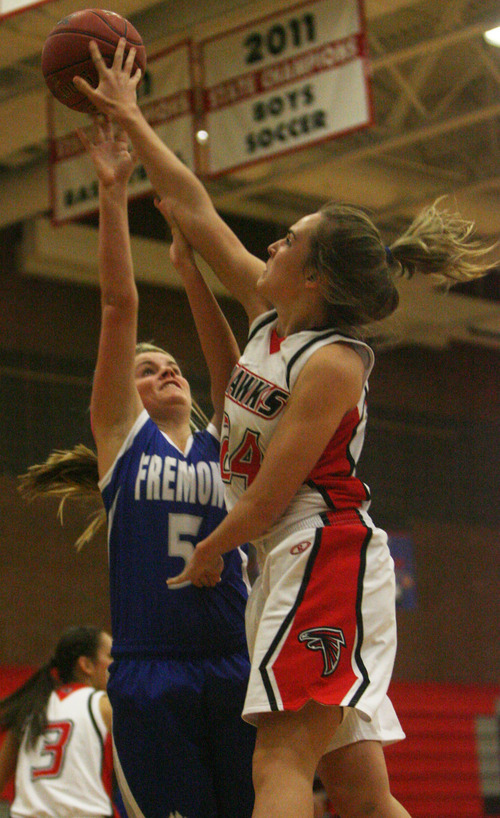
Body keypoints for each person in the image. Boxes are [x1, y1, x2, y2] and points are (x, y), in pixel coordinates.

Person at [73, 40, 495, 818]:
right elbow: (195, 207)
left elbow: (267, 500)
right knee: (364, 795)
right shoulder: (271, 323)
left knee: (279, 757)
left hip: (318, 551)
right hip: (294, 562)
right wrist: (133, 118)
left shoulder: (335, 363)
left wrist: (210, 551)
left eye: (288, 238)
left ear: (314, 276)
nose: (269, 242)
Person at [20, 120, 255, 818]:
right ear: (127, 390)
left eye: (171, 365)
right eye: (147, 369)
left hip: (232, 658)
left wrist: (190, 271)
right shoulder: (125, 440)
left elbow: (229, 365)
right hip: (153, 667)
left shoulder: (225, 445)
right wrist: (114, 191)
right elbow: (119, 305)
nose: (166, 372)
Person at [0, 626, 117, 818]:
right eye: (111, 656)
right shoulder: (103, 705)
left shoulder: (31, 709)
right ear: (86, 665)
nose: (117, 665)